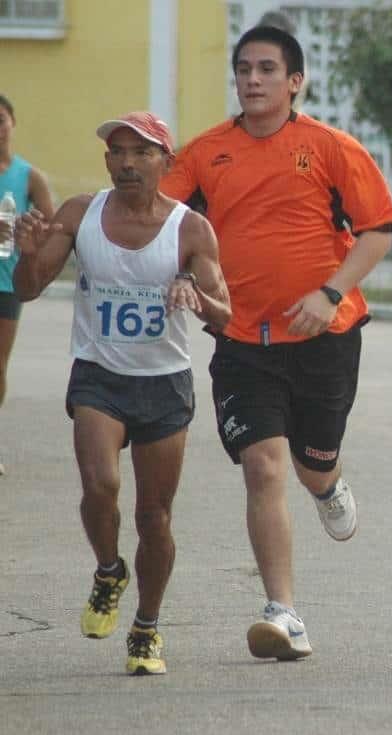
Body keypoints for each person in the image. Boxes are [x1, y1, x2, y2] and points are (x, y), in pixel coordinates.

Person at [161, 24, 392, 661]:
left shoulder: (330, 147)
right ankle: (284, 613)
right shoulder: (204, 152)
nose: (253, 80)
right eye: (244, 69)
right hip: (241, 338)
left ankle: (326, 484)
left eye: (268, 69)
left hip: (326, 334)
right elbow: (160, 223)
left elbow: (378, 230)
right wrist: (182, 274)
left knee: (311, 462)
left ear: (295, 82)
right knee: (264, 466)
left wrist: (329, 294)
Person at [11, 112, 231, 675]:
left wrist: (192, 292)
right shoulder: (81, 215)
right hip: (99, 376)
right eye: (117, 152)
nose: (127, 163)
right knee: (99, 483)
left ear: (167, 162)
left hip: (163, 383)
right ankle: (109, 571)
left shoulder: (190, 229)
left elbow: (226, 315)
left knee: (154, 516)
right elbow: (30, 290)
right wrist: (29, 256)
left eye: (141, 152)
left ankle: (147, 628)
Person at [0, 94, 56, 475]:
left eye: (2, 118)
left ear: (13, 123)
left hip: (7, 281)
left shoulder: (29, 176)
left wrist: (28, 232)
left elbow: (54, 226)